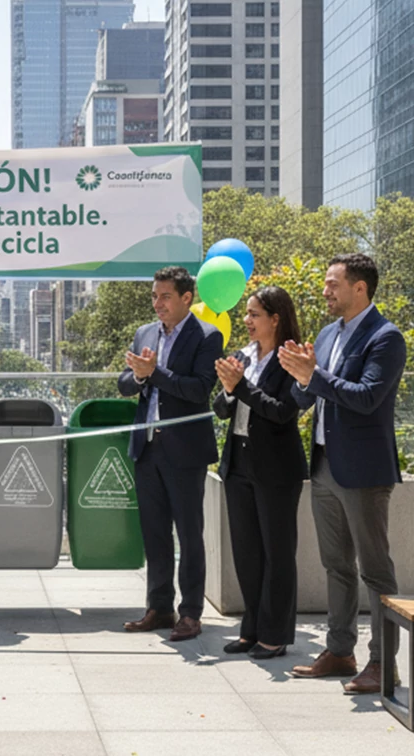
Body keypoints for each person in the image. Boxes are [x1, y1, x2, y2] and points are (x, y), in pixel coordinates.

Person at [279, 253, 406, 694]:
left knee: (375, 569)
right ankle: (339, 650)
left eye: (334, 284)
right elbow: (306, 397)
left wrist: (313, 376)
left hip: (364, 471)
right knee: (335, 564)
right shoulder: (328, 333)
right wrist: (300, 376)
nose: (326, 291)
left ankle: (383, 663)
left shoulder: (386, 337)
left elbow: (368, 397)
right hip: (324, 465)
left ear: (360, 288)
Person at [118, 266, 223, 641]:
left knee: (189, 534)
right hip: (147, 447)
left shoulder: (207, 336)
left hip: (184, 450)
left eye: (165, 296)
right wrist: (142, 376)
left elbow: (199, 389)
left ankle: (191, 614)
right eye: (154, 296)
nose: (157, 303)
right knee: (155, 533)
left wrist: (155, 372)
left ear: (186, 298)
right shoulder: (145, 333)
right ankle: (158, 607)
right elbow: (125, 383)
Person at [212, 287, 307, 660]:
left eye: (254, 314)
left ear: (275, 319)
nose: (247, 321)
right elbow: (222, 409)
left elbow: (283, 411)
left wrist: (242, 386)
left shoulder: (291, 359)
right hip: (238, 465)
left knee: (277, 553)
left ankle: (275, 634)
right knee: (247, 553)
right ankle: (250, 629)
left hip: (276, 468)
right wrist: (227, 388)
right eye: (247, 314)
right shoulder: (242, 356)